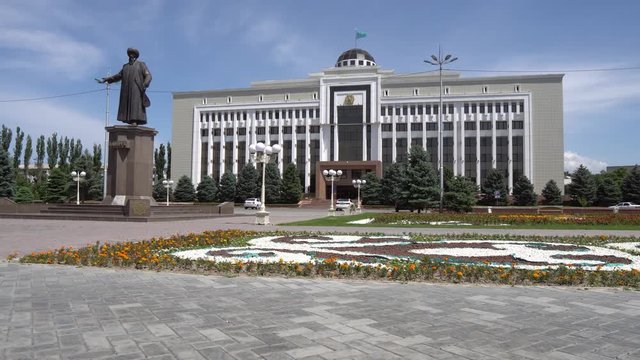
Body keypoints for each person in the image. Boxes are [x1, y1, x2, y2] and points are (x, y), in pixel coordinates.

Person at [97, 48, 152, 126]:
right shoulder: (125, 67)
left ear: (135, 56)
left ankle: (135, 120)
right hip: (126, 89)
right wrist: (107, 79)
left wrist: (145, 84)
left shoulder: (141, 64)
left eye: (133, 54)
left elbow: (148, 75)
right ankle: (128, 119)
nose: (131, 55)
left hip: (137, 88)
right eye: (130, 54)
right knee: (126, 103)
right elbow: (118, 76)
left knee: (135, 103)